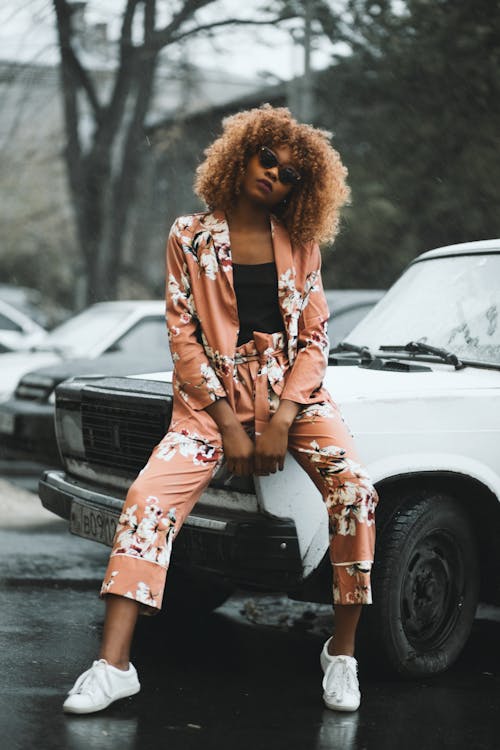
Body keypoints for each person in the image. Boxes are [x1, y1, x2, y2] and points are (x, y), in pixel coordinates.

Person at [63, 104, 379, 715]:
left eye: (289, 174)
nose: (274, 176)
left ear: (302, 187)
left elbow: (314, 340)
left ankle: (341, 655)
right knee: (146, 501)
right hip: (210, 404)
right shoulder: (189, 235)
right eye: (267, 160)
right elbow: (183, 336)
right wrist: (231, 425)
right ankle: (113, 666)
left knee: (356, 493)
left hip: (295, 398)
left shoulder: (302, 243)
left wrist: (284, 418)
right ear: (240, 156)